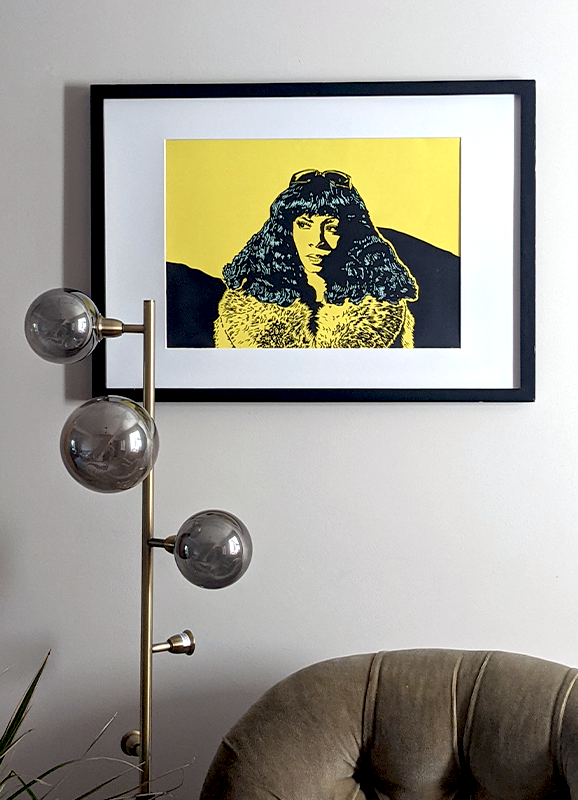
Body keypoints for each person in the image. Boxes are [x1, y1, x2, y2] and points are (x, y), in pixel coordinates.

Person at [214, 169, 419, 348]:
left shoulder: (385, 308)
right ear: (286, 231)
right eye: (304, 225)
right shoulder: (241, 310)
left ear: (353, 235)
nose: (317, 241)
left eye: (332, 228)